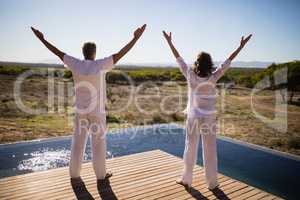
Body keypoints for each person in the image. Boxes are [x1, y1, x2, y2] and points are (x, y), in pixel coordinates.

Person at [31, 24, 147, 181]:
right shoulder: (101, 64)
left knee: (78, 143)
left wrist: (42, 39)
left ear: (83, 52)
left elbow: (57, 52)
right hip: (97, 112)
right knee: (98, 144)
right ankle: (101, 175)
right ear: (95, 53)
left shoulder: (75, 64)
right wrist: (135, 38)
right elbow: (120, 54)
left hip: (80, 111)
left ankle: (74, 174)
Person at [162, 30, 252, 190]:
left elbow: (179, 59)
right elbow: (227, 62)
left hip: (193, 117)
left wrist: (169, 42)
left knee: (190, 147)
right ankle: (212, 183)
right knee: (210, 151)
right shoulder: (213, 77)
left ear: (197, 63)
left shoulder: (190, 75)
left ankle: (186, 179)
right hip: (209, 118)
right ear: (209, 64)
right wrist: (241, 46)